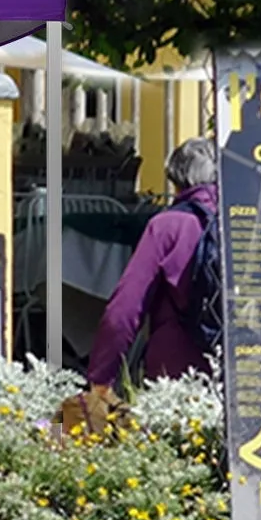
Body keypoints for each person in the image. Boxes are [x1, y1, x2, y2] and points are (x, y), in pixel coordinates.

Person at [86, 137, 218, 390]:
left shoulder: (166, 227)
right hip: (244, 381)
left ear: (177, 181)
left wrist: (100, 380)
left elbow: (123, 312)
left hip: (175, 378)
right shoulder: (245, 225)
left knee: (59, 423)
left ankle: (52, 431)